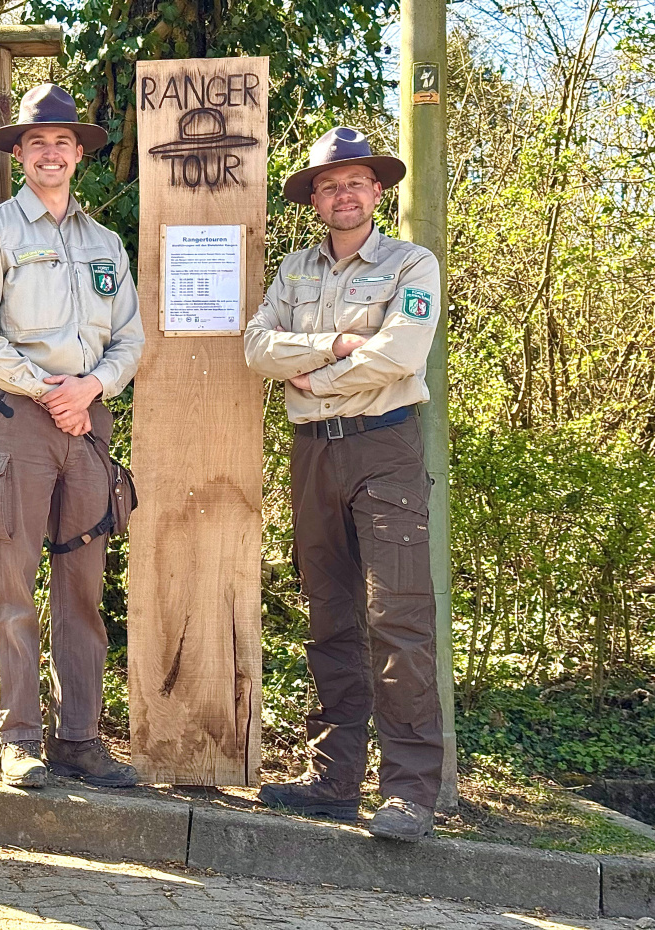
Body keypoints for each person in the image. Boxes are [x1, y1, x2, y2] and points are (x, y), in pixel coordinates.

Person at [242, 127, 443, 841]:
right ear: (316, 200)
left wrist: (316, 378)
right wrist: (330, 343)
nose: (344, 194)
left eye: (355, 181)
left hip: (384, 447)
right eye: (330, 185)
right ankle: (332, 780)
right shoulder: (295, 271)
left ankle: (411, 792)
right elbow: (257, 344)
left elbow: (401, 351)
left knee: (400, 617)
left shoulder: (411, 264)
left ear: (377, 191)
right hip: (312, 453)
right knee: (328, 612)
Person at [0, 84, 145, 789]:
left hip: (88, 423)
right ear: (21, 153)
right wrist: (47, 391)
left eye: (63, 142)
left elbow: (131, 337)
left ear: (78, 153)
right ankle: (21, 740)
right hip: (17, 421)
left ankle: (81, 738)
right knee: (13, 584)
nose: (51, 153)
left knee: (83, 591)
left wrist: (91, 389)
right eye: (38, 142)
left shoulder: (104, 243)